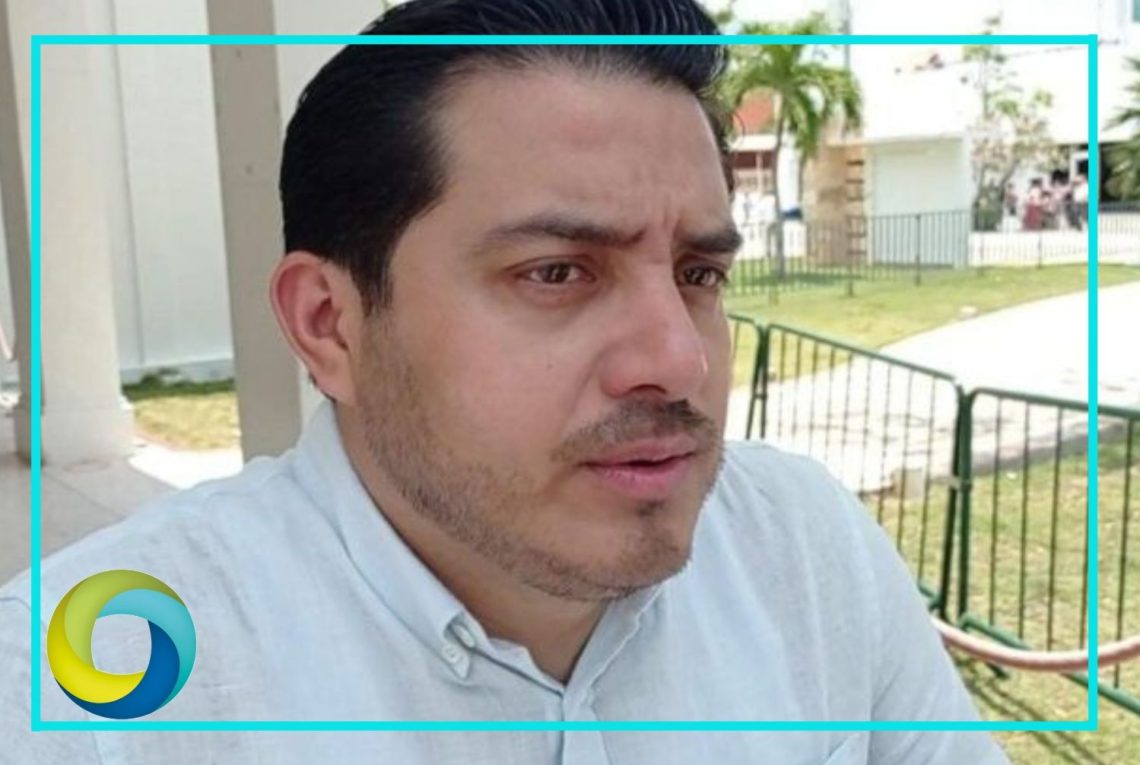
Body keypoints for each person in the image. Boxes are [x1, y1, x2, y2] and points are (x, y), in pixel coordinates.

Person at [0, 1, 1009, 762]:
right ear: (329, 325)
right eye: (557, 273)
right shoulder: (88, 687)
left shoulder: (803, 549)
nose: (679, 359)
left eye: (699, 274)